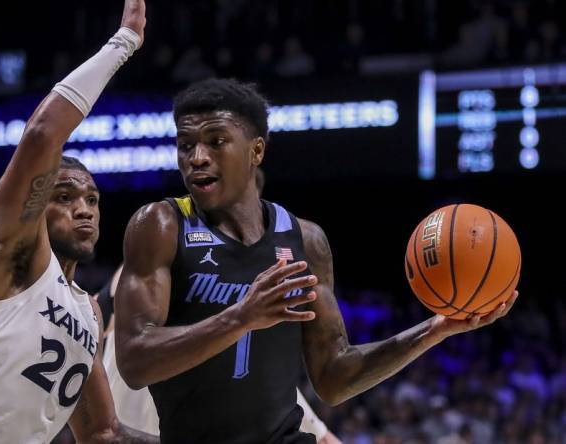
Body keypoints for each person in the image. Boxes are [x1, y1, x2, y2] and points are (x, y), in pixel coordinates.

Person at [113, 78, 518, 444]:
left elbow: (333, 377)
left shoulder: (305, 240)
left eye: (216, 141)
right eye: (186, 146)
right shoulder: (161, 225)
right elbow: (134, 360)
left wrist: (433, 330)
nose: (196, 157)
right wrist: (241, 317)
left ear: (256, 151)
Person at [0, 1, 157, 443]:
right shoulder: (15, 259)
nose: (84, 208)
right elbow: (42, 134)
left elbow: (102, 433)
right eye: (65, 196)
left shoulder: (89, 313)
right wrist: (124, 43)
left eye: (92, 199)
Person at [95, 170, 342, 444]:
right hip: (130, 428)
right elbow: (94, 326)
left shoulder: (255, 354)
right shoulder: (161, 261)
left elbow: (322, 434)